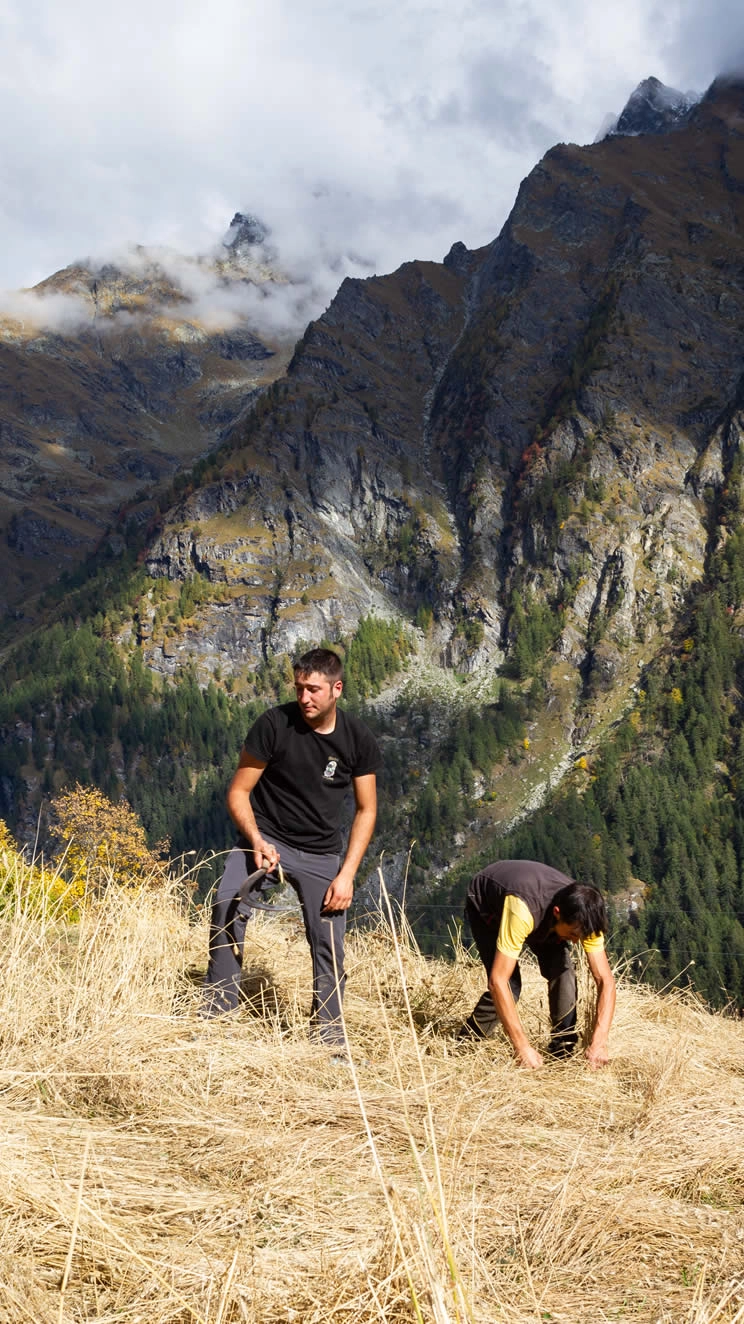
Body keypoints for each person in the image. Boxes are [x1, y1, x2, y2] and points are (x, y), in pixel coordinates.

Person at [202, 647, 381, 1049]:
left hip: (322, 853)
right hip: (266, 838)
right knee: (228, 903)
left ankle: (328, 1039)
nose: (304, 698)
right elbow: (238, 792)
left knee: (329, 941)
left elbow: (367, 810)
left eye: (314, 690)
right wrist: (257, 841)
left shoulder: (357, 740)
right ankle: (216, 1020)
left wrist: (347, 874)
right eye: (299, 688)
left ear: (337, 689)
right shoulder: (273, 725)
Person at [461, 859, 616, 1069]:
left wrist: (599, 1042)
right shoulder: (522, 910)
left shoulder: (586, 917)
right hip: (489, 906)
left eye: (581, 936)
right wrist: (522, 1047)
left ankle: (562, 1050)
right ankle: (464, 1044)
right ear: (557, 913)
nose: (577, 941)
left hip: (543, 916)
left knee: (563, 972)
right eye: (572, 934)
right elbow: (498, 981)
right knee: (511, 987)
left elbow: (605, 980)